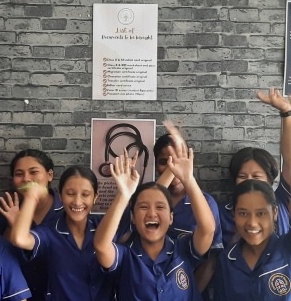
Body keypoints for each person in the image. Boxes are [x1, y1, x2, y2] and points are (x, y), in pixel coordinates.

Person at [94, 133, 215, 300]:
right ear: (133, 218)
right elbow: (101, 246)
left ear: (171, 217)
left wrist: (188, 179)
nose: (152, 213)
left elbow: (207, 230)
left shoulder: (183, 249)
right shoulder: (125, 256)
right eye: (143, 207)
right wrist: (124, 195)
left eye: (160, 207)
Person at [10, 166, 131, 301]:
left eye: (85, 195)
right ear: (60, 196)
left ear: (95, 197)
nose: (77, 202)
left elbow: (141, 216)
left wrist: (124, 193)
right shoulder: (50, 232)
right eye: (70, 194)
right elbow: (19, 239)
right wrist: (31, 197)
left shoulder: (104, 227)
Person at [152, 121, 223, 297]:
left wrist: (188, 294)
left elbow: (210, 260)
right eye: (163, 162)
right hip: (149, 289)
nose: (171, 166)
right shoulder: (147, 198)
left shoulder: (205, 203)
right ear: (155, 165)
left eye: (176, 160)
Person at [219, 88, 291, 247]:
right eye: (242, 176)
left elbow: (289, 161)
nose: (249, 181)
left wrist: (286, 112)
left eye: (256, 176)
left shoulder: (281, 201)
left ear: (270, 180)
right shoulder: (222, 211)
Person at [0, 149, 62, 301]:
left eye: (33, 172)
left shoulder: (67, 212)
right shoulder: (8, 213)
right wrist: (12, 227)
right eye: (19, 174)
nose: (26, 179)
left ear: (49, 175)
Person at [215, 179, 291, 300]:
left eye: (261, 213)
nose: (252, 223)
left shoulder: (286, 248)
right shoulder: (226, 260)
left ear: (275, 213)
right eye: (243, 213)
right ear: (234, 214)